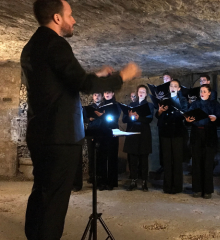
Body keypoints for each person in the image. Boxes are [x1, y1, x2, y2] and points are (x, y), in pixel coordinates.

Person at [20, 1, 141, 239]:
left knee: (41, 195)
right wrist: (120, 77)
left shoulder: (32, 46)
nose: (74, 19)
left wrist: (94, 75)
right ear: (57, 18)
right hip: (60, 137)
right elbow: (83, 86)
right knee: (54, 204)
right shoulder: (56, 43)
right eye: (70, 15)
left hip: (40, 134)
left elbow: (59, 84)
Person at [185, 84, 220, 199]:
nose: (202, 93)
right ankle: (197, 189)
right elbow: (187, 121)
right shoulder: (195, 104)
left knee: (208, 163)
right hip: (196, 134)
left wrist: (215, 119)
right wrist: (188, 120)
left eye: (205, 91)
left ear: (209, 93)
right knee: (196, 163)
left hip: (209, 134)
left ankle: (207, 190)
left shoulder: (215, 104)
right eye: (201, 91)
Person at [155, 79, 188, 194]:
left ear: (179, 89)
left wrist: (175, 105)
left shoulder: (183, 100)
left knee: (177, 160)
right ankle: (167, 186)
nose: (173, 87)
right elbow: (158, 116)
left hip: (178, 133)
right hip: (165, 133)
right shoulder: (164, 99)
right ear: (169, 88)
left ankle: (177, 187)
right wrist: (160, 111)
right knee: (167, 160)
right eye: (171, 86)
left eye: (175, 86)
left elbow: (184, 112)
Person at [123, 85, 154, 191]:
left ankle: (144, 182)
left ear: (146, 94)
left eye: (143, 92)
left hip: (144, 133)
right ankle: (133, 181)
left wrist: (138, 117)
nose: (141, 93)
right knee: (133, 158)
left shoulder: (149, 105)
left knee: (144, 158)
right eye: (140, 91)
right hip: (133, 132)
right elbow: (124, 119)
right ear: (137, 93)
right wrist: (131, 116)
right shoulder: (132, 104)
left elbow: (149, 119)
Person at [97, 90, 121, 191]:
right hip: (102, 132)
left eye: (109, 92)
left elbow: (115, 117)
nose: (107, 94)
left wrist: (103, 115)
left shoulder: (116, 105)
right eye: (105, 92)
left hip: (112, 131)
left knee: (112, 157)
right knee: (102, 157)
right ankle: (102, 181)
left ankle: (111, 182)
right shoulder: (100, 105)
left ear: (113, 94)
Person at [82, 92, 104, 186]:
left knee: (101, 155)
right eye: (95, 95)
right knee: (91, 155)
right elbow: (84, 118)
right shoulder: (89, 107)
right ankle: (92, 176)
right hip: (91, 131)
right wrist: (89, 119)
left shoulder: (105, 106)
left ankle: (100, 177)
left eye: (98, 95)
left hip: (102, 131)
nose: (97, 96)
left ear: (102, 96)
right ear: (93, 97)